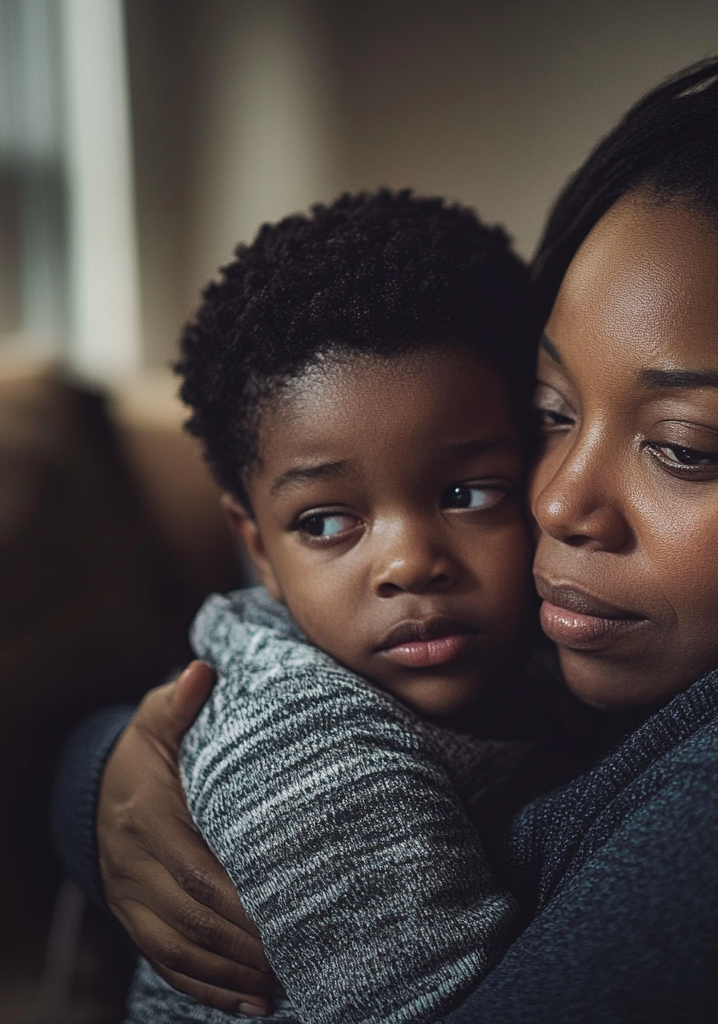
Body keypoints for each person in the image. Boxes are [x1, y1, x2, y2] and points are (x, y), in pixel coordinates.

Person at [53, 42, 718, 1021]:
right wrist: (105, 779)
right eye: (551, 414)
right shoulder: (570, 638)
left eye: (682, 448)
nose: (557, 501)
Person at [121, 190, 571, 1023]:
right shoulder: (302, 748)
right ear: (258, 546)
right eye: (327, 521)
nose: (410, 565)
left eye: (470, 493)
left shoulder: (549, 653)